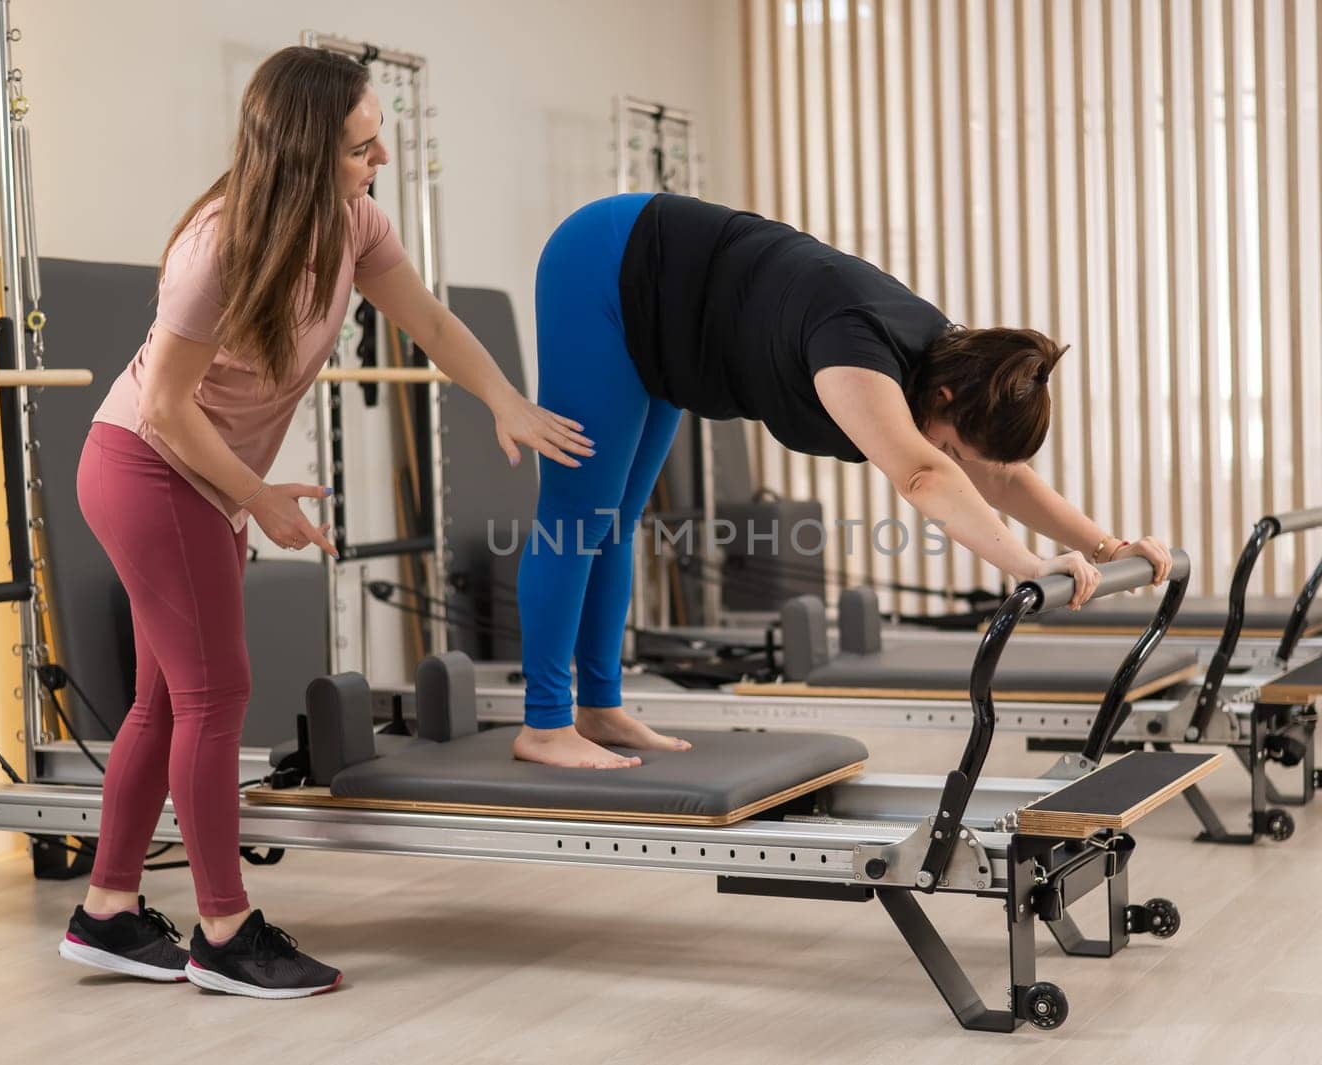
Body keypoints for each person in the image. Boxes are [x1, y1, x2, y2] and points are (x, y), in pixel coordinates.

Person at [57, 46, 590, 998]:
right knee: (216, 691)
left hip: (193, 479)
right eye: (359, 147)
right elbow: (170, 407)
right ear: (305, 151)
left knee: (168, 698)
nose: (377, 159)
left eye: (378, 140)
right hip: (146, 466)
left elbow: (426, 318)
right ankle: (222, 931)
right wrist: (257, 496)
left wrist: (504, 399)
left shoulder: (351, 221)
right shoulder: (215, 246)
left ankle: (106, 911)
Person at [513, 192, 1172, 771]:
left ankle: (598, 707)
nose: (951, 458)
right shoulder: (855, 348)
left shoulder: (946, 363)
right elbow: (922, 474)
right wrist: (1027, 564)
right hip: (606, 267)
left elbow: (1001, 480)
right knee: (580, 515)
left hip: (664, 320)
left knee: (617, 520)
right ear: (944, 398)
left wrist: (1107, 547)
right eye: (950, 444)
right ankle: (544, 724)